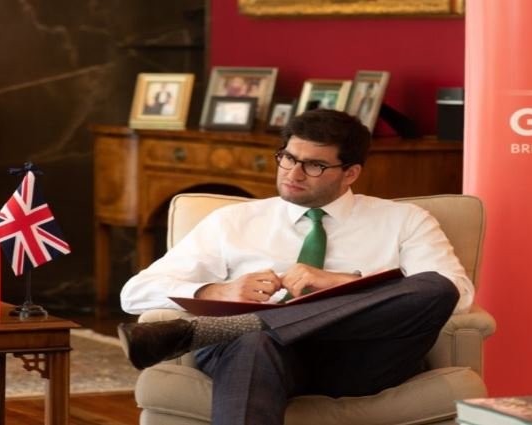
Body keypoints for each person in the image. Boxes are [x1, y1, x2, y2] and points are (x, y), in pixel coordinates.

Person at [117, 109, 474, 425]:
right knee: (253, 343)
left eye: (314, 165)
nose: (293, 173)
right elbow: (134, 292)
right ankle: (250, 328)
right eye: (288, 158)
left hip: (360, 359)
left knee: (436, 287)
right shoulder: (232, 220)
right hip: (259, 354)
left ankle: (228, 327)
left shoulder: (404, 220)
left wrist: (340, 283)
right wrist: (216, 290)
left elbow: (458, 294)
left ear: (350, 173)